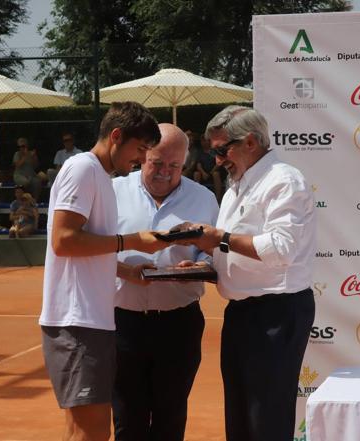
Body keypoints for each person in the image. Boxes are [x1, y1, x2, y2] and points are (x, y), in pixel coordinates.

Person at [175, 106, 316, 441]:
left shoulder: (284, 180)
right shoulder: (239, 183)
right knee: (240, 417)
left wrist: (218, 238)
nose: (218, 159)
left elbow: (282, 249)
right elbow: (236, 251)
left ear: (251, 142)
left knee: (265, 417)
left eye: (222, 150)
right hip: (242, 313)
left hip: (275, 314)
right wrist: (206, 268)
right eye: (213, 151)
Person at [39, 101, 170, 441]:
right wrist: (131, 241)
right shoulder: (82, 169)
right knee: (93, 432)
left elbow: (88, 246)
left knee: (83, 430)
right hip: (77, 320)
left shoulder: (101, 177)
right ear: (115, 136)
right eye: (139, 149)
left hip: (91, 320)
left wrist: (127, 271)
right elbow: (64, 240)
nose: (141, 159)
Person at [111, 123, 219, 441]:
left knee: (170, 417)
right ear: (143, 156)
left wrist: (200, 265)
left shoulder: (204, 199)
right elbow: (92, 252)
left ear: (184, 163)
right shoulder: (113, 192)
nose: (165, 172)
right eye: (157, 163)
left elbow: (216, 254)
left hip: (179, 324)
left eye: (174, 165)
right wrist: (123, 271)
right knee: (127, 419)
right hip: (122, 324)